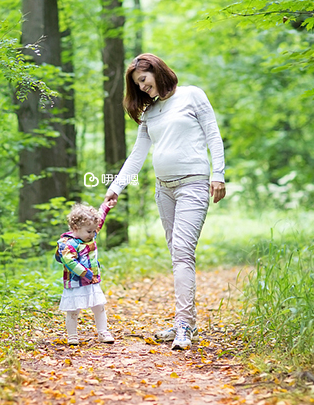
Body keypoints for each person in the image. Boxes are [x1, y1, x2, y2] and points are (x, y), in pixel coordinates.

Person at [104, 53, 226, 350]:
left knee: (183, 252)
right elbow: (137, 155)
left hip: (193, 184)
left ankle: (183, 324)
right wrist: (116, 187)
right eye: (138, 86)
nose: (143, 89)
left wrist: (218, 174)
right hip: (164, 190)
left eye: (143, 81)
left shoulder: (191, 96)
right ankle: (186, 321)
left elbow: (213, 133)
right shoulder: (150, 113)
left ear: (157, 71)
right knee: (177, 255)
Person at [55, 201, 115, 346]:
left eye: (94, 231)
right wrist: (86, 274)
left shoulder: (89, 232)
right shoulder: (66, 244)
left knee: (99, 306)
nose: (93, 234)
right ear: (76, 228)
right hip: (76, 282)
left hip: (92, 281)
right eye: (90, 232)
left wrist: (106, 206)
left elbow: (99, 220)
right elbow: (69, 262)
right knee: (73, 310)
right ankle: (72, 336)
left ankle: (103, 332)